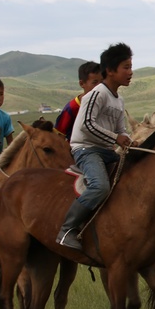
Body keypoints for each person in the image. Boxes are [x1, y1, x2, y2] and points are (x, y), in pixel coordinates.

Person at [56, 43, 135, 250]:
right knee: (100, 186)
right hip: (86, 149)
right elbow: (86, 125)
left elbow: (120, 127)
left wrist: (127, 138)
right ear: (110, 70)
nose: (131, 72)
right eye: (126, 67)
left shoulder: (119, 100)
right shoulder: (97, 94)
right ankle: (67, 229)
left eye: (131, 67)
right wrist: (116, 138)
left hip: (107, 151)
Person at [55, 61, 103, 141]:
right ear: (82, 84)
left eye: (101, 82)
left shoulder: (105, 104)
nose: (99, 86)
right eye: (94, 83)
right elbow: (59, 134)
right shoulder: (72, 108)